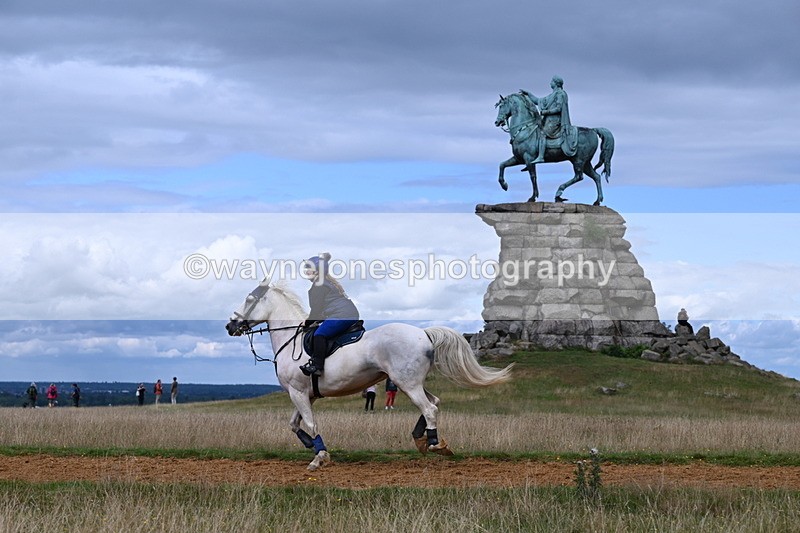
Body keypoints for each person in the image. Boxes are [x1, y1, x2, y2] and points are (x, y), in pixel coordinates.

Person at [299, 253, 360, 377]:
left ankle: (317, 366)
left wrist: (307, 322)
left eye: (309, 268)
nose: (306, 271)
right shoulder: (325, 283)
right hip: (346, 314)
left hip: (341, 315)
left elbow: (316, 310)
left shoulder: (319, 285)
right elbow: (322, 311)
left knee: (319, 334)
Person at [520, 75, 575, 162]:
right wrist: (528, 94)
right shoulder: (552, 95)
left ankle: (541, 157)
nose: (550, 83)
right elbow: (538, 101)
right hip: (548, 120)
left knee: (542, 133)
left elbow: (559, 108)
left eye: (552, 81)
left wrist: (546, 112)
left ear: (556, 83)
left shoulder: (560, 94)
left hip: (555, 121)